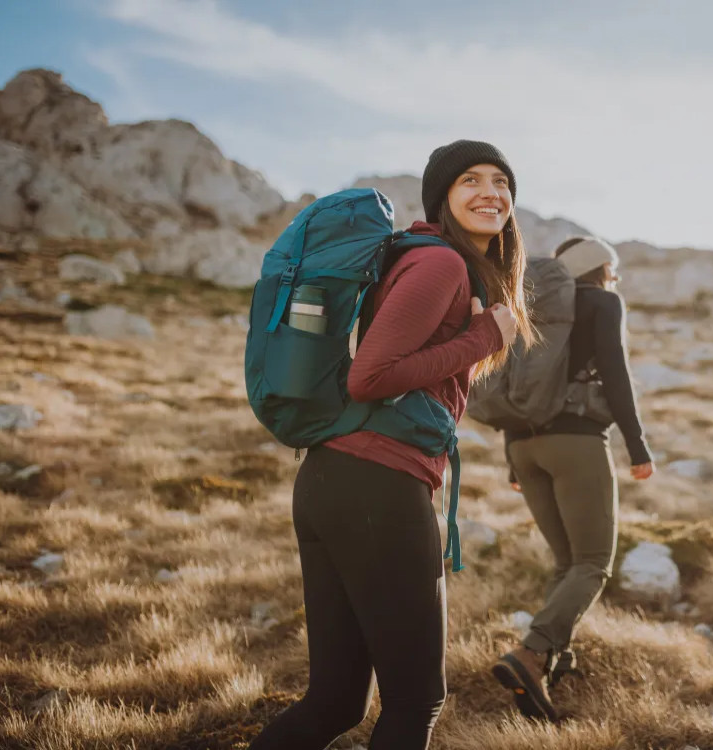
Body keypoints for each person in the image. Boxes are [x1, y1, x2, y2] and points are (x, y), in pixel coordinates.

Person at [249, 140, 532, 750]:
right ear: (442, 198)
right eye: (470, 182)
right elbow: (369, 376)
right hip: (376, 486)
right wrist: (485, 335)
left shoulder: (431, 262)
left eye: (501, 180)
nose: (491, 192)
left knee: (334, 704)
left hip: (337, 481)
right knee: (415, 701)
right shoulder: (441, 265)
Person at [490, 237, 655, 722]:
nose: (614, 278)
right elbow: (616, 373)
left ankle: (555, 667)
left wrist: (510, 457)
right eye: (611, 268)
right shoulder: (602, 303)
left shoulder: (532, 304)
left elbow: (514, 384)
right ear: (597, 269)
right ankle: (531, 653)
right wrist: (638, 446)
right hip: (576, 442)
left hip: (523, 445)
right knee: (593, 563)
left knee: (566, 563)